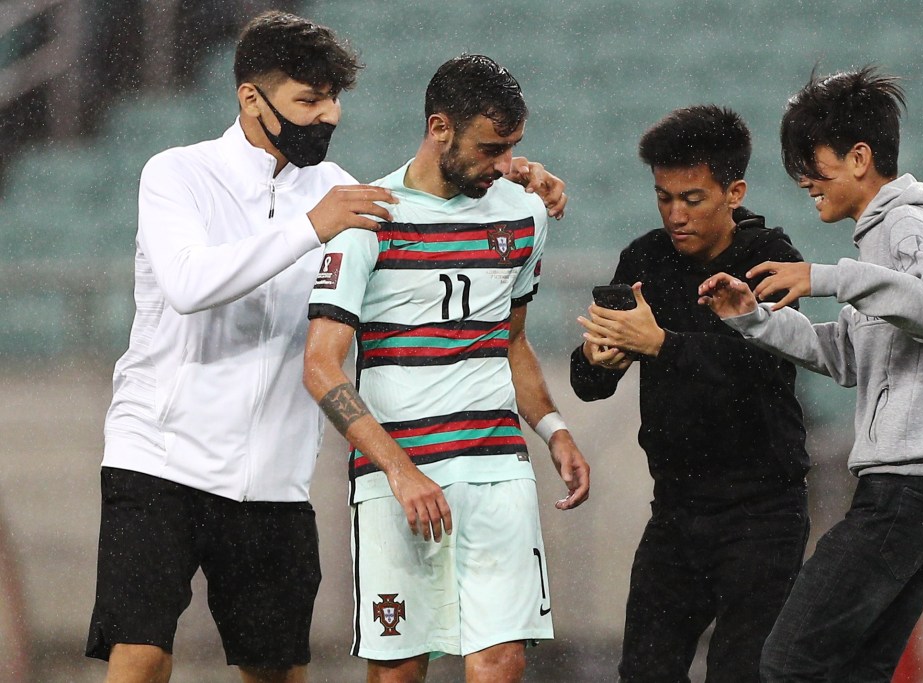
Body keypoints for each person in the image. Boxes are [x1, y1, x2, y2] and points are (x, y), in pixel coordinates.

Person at [85, 12, 568, 683]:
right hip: (159, 456)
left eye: (333, 99)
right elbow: (190, 284)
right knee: (141, 654)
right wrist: (313, 225)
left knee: (279, 668)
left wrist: (517, 174)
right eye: (308, 100)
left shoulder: (337, 187)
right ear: (252, 98)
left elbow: (432, 192)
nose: (329, 115)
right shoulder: (178, 174)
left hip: (272, 475)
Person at [301, 54, 590, 683]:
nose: (504, 166)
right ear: (440, 129)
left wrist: (554, 430)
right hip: (396, 477)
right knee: (400, 668)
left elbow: (512, 341)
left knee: (500, 660)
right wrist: (402, 473)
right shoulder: (368, 220)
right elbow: (322, 369)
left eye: (512, 149)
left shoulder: (524, 214)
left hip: (495, 467)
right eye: (490, 149)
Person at [698, 66, 923, 681]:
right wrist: (753, 319)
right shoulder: (878, 238)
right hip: (922, 487)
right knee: (854, 668)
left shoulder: (909, 224)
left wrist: (825, 277)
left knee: (791, 658)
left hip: (909, 481)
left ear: (861, 156)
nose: (803, 181)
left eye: (812, 164)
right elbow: (847, 355)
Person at [570, 105, 810, 683]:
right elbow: (588, 383)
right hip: (675, 509)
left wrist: (661, 344)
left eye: (692, 199)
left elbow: (764, 367)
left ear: (734, 192)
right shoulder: (644, 258)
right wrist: (597, 360)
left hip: (762, 511)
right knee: (645, 671)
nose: (675, 214)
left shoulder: (771, 260)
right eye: (663, 197)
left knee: (741, 672)